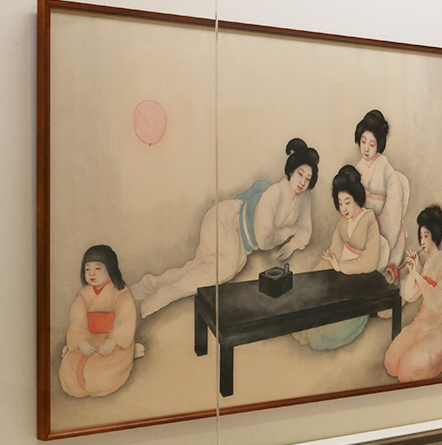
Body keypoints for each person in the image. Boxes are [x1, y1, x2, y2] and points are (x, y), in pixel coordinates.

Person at [132, 139, 319, 317]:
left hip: (239, 241)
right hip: (226, 221)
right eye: (300, 174)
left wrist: (293, 245)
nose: (302, 182)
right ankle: (161, 297)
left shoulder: (304, 198)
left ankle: (148, 285)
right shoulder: (274, 193)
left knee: (199, 267)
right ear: (291, 171)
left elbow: (305, 229)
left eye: (308, 178)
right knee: (223, 269)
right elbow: (263, 240)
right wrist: (290, 232)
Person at [292, 165, 383, 350]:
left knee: (324, 331)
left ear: (357, 199)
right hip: (341, 281)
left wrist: (342, 267)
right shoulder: (342, 223)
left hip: (361, 283)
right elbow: (332, 254)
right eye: (340, 203)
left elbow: (370, 260)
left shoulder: (369, 220)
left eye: (347, 202)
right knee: (309, 305)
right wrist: (310, 278)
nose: (344, 208)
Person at [385, 205, 442, 383]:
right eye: (420, 236)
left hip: (440, 326)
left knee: (406, 373)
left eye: (426, 235)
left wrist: (418, 274)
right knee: (391, 363)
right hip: (423, 322)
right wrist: (413, 270)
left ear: (435, 235)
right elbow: (410, 296)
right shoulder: (429, 264)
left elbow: (436, 302)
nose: (422, 241)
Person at [59, 245, 143, 397]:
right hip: (88, 337)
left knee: (99, 374)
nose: (91, 273)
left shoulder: (121, 294)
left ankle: (130, 353)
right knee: (69, 371)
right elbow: (77, 321)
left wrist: (112, 341)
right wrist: (81, 341)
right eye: (87, 269)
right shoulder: (83, 295)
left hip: (113, 342)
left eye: (97, 268)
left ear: (110, 268)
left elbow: (125, 322)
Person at [354, 110, 410, 281]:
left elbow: (394, 202)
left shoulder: (386, 169)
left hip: (385, 223)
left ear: (379, 145)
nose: (366, 148)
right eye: (363, 141)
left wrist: (382, 229)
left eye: (371, 144)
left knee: (382, 263)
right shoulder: (358, 168)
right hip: (364, 223)